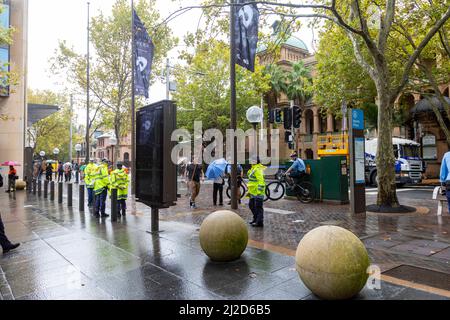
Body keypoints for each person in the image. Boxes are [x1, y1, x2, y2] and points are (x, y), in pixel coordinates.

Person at [247, 157, 266, 228]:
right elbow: (252, 180)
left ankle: (259, 222)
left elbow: (261, 180)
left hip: (258, 192)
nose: (250, 161)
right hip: (252, 192)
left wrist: (259, 191)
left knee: (258, 207)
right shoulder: (253, 168)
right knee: (251, 205)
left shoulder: (257, 169)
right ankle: (255, 219)